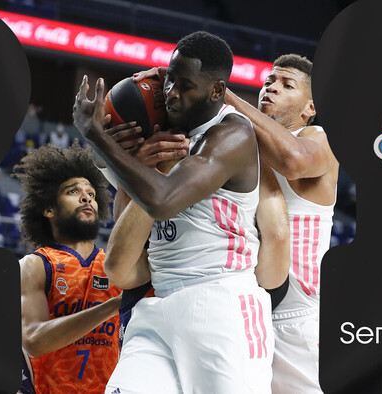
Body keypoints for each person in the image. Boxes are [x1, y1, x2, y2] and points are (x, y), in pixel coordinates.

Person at [74, 31, 286, 394]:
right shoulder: (162, 141)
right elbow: (132, 218)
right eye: (170, 78)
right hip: (157, 306)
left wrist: (96, 136)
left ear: (216, 91)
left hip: (221, 302)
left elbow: (162, 199)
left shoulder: (231, 134)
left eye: (185, 85)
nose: (171, 91)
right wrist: (121, 154)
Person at [225, 54, 338, 394]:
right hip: (245, 305)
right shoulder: (240, 144)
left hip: (297, 316)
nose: (272, 88)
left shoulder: (316, 137)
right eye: (268, 82)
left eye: (287, 85)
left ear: (310, 107)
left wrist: (223, 95)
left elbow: (293, 161)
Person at [15, 143, 123, 394]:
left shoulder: (114, 264)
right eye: (73, 191)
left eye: (91, 194)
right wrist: (112, 305)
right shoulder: (36, 265)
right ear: (49, 209)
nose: (86, 197)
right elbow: (34, 340)